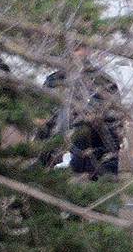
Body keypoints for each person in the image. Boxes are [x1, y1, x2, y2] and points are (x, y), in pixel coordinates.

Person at [38, 46, 123, 179]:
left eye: (80, 47)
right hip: (57, 168)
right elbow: (43, 126)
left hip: (95, 167)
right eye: (73, 47)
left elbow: (113, 132)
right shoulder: (53, 82)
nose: (75, 52)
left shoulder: (104, 83)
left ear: (88, 50)